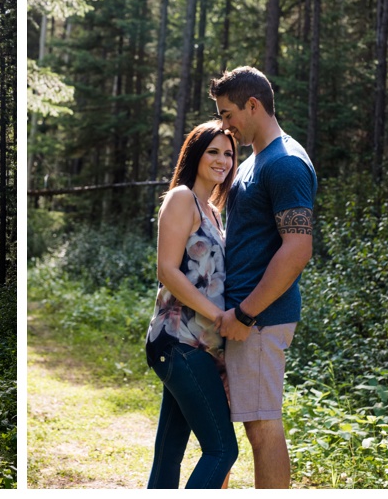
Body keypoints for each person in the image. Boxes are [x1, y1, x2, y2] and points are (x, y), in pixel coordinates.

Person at [209, 66, 317, 489]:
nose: (225, 125)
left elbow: (297, 249)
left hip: (259, 319)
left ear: (253, 105)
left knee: (261, 425)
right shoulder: (257, 160)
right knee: (222, 431)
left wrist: (246, 314)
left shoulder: (286, 163)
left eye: (228, 113)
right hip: (236, 316)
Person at [145, 120, 239, 489]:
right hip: (179, 342)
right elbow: (167, 270)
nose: (222, 160)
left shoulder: (213, 211)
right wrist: (219, 316)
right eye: (213, 151)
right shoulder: (182, 198)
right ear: (195, 154)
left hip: (200, 346)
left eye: (229, 153)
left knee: (170, 452)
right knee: (221, 451)